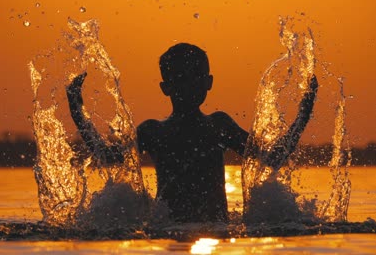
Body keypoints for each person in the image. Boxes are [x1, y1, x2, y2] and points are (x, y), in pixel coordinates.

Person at [66, 43, 318, 223]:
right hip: (168, 229)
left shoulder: (219, 126)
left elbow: (272, 159)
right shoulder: (153, 131)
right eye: (180, 78)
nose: (188, 85)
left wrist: (303, 114)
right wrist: (78, 112)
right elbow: (109, 158)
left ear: (208, 82)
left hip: (218, 226)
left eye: (195, 77)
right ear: (166, 87)